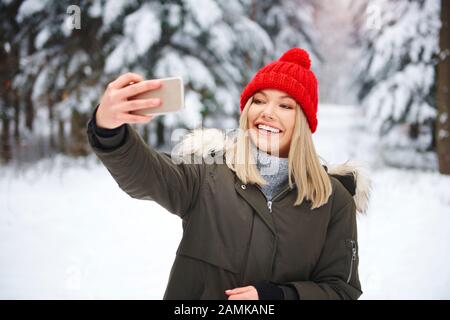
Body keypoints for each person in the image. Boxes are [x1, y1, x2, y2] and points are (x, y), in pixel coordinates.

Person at [86, 47, 371, 300]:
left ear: (305, 123)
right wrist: (109, 129)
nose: (267, 112)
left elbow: (341, 290)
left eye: (285, 105)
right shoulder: (206, 174)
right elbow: (145, 175)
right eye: (258, 101)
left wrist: (280, 297)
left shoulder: (333, 199)